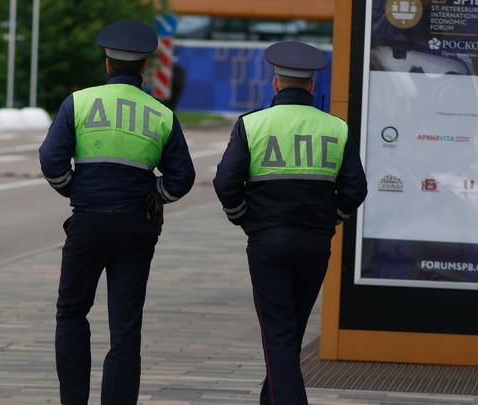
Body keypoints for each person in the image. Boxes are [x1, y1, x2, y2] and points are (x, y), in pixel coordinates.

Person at [38, 19, 195, 405]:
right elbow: (182, 177)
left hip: (89, 222)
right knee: (125, 327)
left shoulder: (79, 102)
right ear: (144, 68)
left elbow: (50, 159)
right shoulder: (160, 113)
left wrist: (77, 189)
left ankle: (74, 399)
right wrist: (153, 193)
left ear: (107, 64)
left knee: (72, 312)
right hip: (136, 226)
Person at [213, 41, 367, 405]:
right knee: (289, 333)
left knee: (279, 336)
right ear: (312, 86)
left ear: (276, 83)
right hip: (315, 244)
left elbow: (225, 182)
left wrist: (243, 219)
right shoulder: (336, 128)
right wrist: (332, 220)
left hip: (268, 242)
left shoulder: (252, 124)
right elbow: (355, 188)